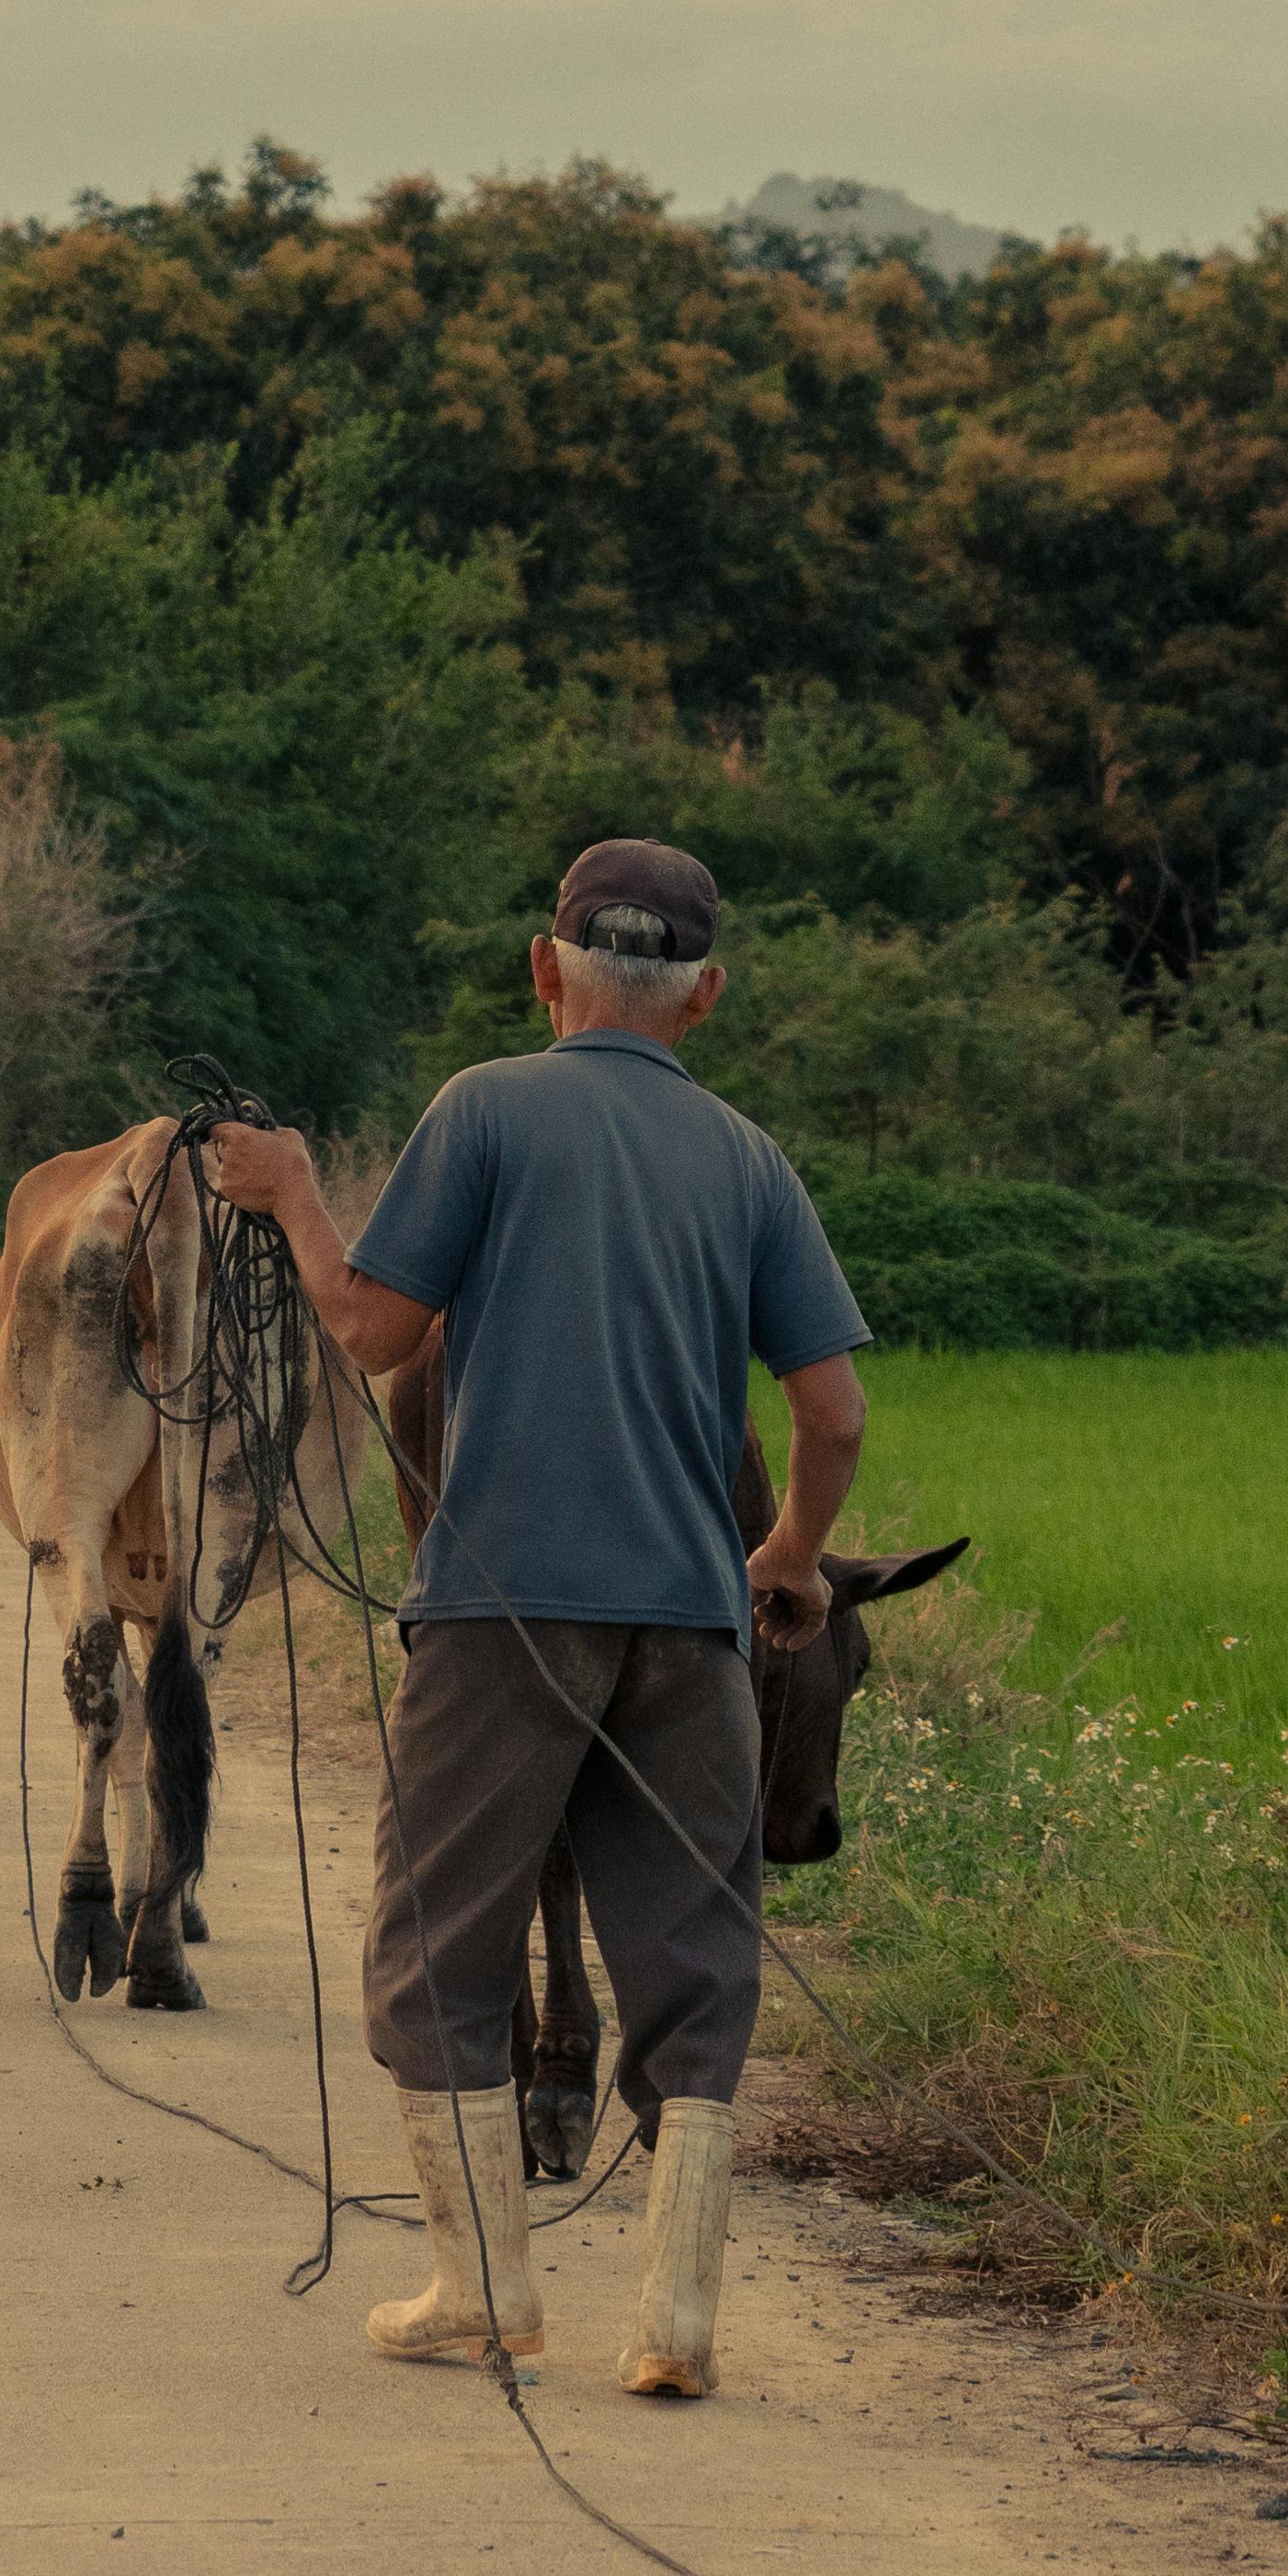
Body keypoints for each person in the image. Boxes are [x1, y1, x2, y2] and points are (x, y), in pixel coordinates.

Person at [210, 838, 868, 2399]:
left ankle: (480, 2289)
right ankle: (677, 2322)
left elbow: (373, 1332)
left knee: (434, 1942)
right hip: (690, 1628)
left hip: (501, 1617)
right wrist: (786, 1557)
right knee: (695, 1956)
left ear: (541, 970)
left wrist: (291, 1192)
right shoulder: (750, 1161)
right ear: (704, 996)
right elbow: (833, 1413)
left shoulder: (485, 1108)